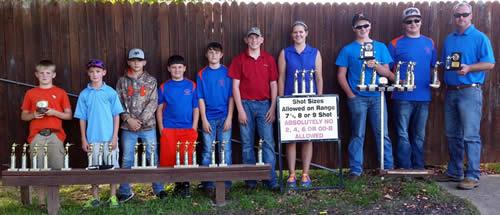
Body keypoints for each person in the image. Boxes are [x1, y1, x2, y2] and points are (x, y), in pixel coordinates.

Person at [436, 2, 495, 190]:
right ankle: (455, 171)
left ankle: (472, 175)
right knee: (452, 134)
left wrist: (469, 67)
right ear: (453, 18)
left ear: (471, 16)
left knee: (470, 135)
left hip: (470, 91)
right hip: (451, 91)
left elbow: (490, 64)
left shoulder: (480, 38)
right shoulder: (449, 39)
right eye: (457, 15)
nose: (460, 18)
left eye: (464, 14)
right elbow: (446, 63)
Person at [335, 13, 395, 179]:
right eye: (359, 26)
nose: (363, 29)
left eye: (366, 25)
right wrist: (351, 95)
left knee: (382, 133)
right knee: (357, 134)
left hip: (377, 96)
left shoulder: (381, 47)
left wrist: (375, 64)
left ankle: (387, 168)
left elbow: (388, 73)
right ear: (354, 29)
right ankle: (355, 170)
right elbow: (341, 75)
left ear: (370, 26)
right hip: (358, 98)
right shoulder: (347, 49)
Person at [229, 27, 279, 190]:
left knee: (268, 143)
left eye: (256, 37)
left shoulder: (269, 59)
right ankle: (250, 180)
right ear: (246, 40)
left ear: (261, 40)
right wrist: (240, 110)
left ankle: (270, 179)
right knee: (247, 143)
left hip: (265, 105)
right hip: (245, 105)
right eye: (250, 38)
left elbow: (273, 84)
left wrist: (273, 107)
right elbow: (235, 87)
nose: (254, 40)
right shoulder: (239, 60)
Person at [388, 7, 437, 170]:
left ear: (421, 22)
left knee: (419, 136)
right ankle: (405, 168)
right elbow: (387, 69)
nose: (413, 24)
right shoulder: (395, 43)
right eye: (409, 21)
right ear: (404, 24)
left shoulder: (429, 42)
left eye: (416, 20)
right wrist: (396, 80)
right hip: (402, 97)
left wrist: (436, 81)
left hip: (424, 96)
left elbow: (433, 68)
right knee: (402, 135)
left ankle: (419, 168)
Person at [21, 60, 72, 208]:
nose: (44, 76)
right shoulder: (30, 93)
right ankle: (42, 202)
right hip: (37, 135)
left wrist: (54, 112)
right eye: (41, 73)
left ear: (53, 75)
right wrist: (33, 115)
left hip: (55, 135)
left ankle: (55, 201)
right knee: (39, 168)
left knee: (56, 168)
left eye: (48, 73)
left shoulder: (60, 93)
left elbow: (68, 115)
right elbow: (24, 116)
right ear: (36, 75)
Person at [116, 48, 166, 202]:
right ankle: (125, 190)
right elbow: (117, 103)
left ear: (144, 62)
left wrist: (140, 121)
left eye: (139, 60)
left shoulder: (151, 80)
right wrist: (128, 119)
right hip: (127, 127)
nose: (136, 63)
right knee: (126, 159)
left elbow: (153, 102)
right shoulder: (122, 81)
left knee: (153, 157)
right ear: (129, 62)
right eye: (133, 60)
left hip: (148, 127)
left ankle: (158, 189)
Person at [277, 21, 323, 188]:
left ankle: (305, 174)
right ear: (292, 35)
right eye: (295, 32)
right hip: (290, 101)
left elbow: (319, 78)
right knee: (291, 138)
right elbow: (281, 77)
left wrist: (319, 100)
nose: (298, 35)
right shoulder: (285, 53)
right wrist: (280, 100)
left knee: (307, 137)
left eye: (301, 32)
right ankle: (291, 175)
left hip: (309, 102)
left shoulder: (315, 52)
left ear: (306, 33)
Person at [74, 59, 124, 207]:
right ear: (88, 74)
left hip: (109, 138)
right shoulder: (84, 94)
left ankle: (113, 197)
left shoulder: (110, 92)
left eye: (97, 71)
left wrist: (115, 137)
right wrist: (84, 139)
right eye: (91, 72)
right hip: (92, 139)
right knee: (93, 169)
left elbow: (116, 115)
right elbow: (82, 118)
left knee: (112, 168)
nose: (95, 75)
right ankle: (95, 198)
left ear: (104, 73)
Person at [157, 55, 199, 197]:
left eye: (180, 67)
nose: (177, 70)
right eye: (174, 67)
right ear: (169, 69)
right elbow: (159, 109)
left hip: (187, 128)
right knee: (170, 158)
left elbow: (196, 108)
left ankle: (186, 186)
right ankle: (177, 185)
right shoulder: (164, 87)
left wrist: (194, 127)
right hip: (169, 128)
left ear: (184, 68)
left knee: (185, 157)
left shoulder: (191, 85)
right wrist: (161, 128)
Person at [196, 42, 234, 194]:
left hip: (224, 117)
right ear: (206, 55)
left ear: (221, 55)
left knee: (225, 150)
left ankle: (226, 184)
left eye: (216, 52)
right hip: (208, 119)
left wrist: (230, 117)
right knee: (207, 150)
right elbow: (200, 99)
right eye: (210, 52)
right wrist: (203, 119)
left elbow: (231, 97)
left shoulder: (228, 72)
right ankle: (208, 184)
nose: (213, 55)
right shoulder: (201, 74)